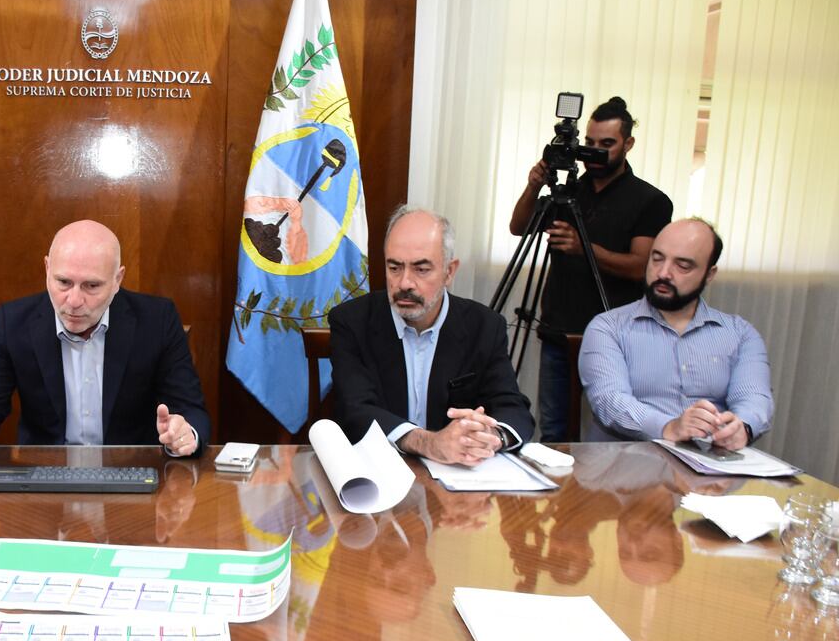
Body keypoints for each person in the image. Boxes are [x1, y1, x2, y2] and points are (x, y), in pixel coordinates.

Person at [0, 219, 210, 458]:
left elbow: (190, 411)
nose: (73, 301)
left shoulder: (157, 320)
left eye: (91, 286)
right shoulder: (13, 322)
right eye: (63, 282)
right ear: (47, 269)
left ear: (117, 279)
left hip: (131, 478)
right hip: (45, 480)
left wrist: (185, 434)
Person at [509, 96, 673, 441]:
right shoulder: (569, 191)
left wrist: (585, 250)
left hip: (619, 337)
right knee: (555, 431)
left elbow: (642, 268)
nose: (595, 153)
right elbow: (519, 227)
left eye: (607, 145)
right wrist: (534, 185)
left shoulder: (650, 201)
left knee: (618, 431)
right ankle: (559, 497)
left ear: (628, 144)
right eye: (590, 143)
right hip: (559, 331)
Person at [329, 206, 534, 465]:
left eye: (421, 269)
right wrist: (429, 443)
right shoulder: (351, 321)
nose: (404, 283)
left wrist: (490, 435)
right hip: (377, 473)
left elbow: (513, 408)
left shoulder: (484, 326)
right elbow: (354, 411)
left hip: (456, 482)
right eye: (394, 267)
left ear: (449, 271)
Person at [579, 218, 773, 449]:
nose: (663, 273)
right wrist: (669, 427)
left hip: (712, 469)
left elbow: (754, 397)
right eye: (657, 258)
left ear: (709, 274)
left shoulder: (740, 334)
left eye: (683, 266)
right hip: (628, 467)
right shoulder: (608, 327)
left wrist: (742, 427)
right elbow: (609, 401)